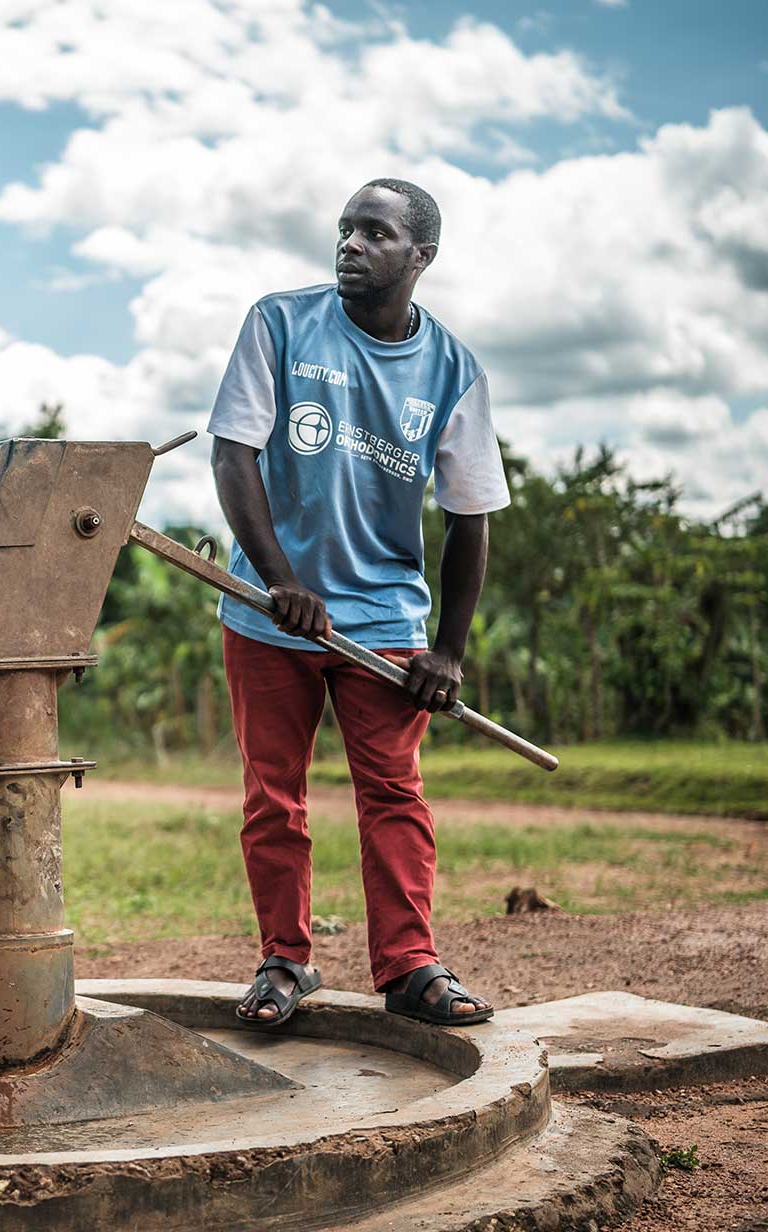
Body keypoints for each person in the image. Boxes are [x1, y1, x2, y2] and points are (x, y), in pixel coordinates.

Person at [206, 178, 508, 1029]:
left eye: (375, 233)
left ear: (421, 256)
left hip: (383, 623)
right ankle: (284, 961)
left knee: (394, 795)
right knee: (273, 796)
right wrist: (280, 580)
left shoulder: (453, 371)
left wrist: (447, 652)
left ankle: (410, 969)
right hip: (269, 617)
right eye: (345, 228)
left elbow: (470, 517)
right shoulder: (280, 323)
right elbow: (233, 455)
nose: (351, 243)